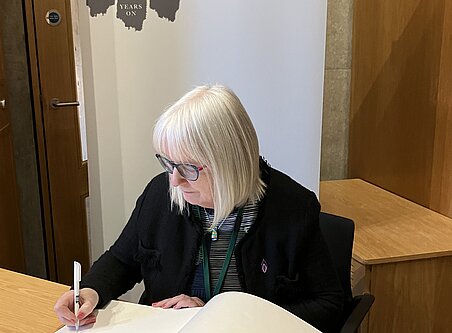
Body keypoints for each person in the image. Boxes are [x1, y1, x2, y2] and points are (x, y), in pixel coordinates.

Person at [54, 85, 344, 332]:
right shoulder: (161, 194)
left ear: (229, 163)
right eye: (167, 163)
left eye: (188, 168)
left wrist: (215, 316)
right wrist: (90, 291)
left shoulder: (292, 208)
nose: (174, 180)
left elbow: (329, 305)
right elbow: (122, 260)